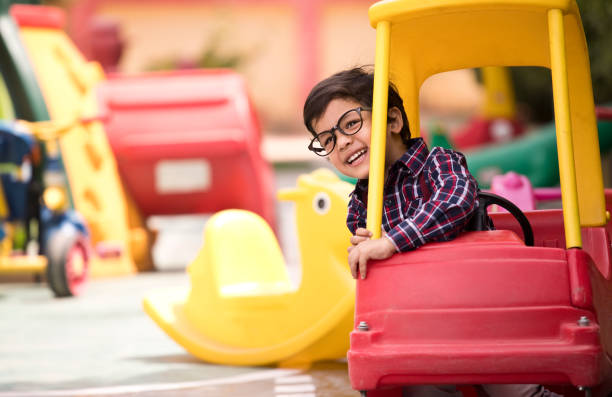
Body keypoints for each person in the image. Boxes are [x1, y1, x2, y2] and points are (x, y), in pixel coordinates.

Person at [303, 66, 562, 397]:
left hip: (481, 314)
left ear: (393, 121)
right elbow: (372, 269)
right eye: (327, 140)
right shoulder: (360, 205)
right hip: (417, 327)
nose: (341, 142)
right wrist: (363, 251)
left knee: (515, 389)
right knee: (400, 382)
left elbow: (454, 201)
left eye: (351, 124)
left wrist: (392, 242)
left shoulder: (440, 164)